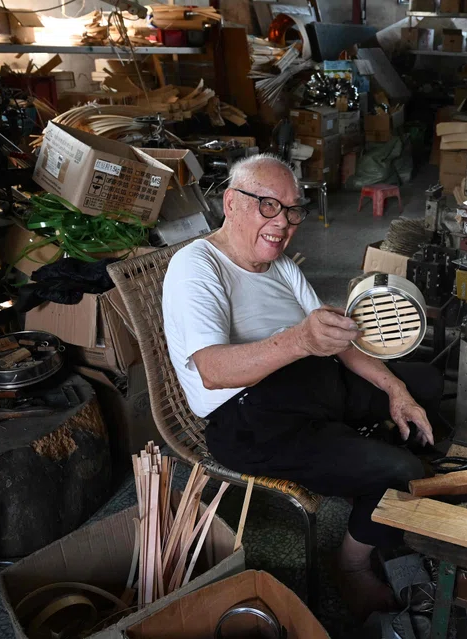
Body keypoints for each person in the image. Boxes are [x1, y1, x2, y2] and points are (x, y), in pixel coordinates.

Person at [162, 154, 441, 618]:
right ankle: (350, 565)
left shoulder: (280, 265)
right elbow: (213, 370)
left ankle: (368, 480)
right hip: (250, 418)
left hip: (313, 381)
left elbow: (332, 337)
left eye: (292, 210)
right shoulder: (196, 265)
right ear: (230, 202)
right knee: (401, 470)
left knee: (426, 384)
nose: (283, 223)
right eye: (267, 206)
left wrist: (395, 389)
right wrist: (300, 339)